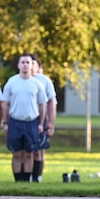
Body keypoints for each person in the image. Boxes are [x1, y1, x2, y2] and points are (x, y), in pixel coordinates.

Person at [1, 54, 47, 182]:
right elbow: (5, 103)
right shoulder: (12, 82)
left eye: (28, 62)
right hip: (15, 121)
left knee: (29, 153)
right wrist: (6, 122)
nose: (25, 65)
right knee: (16, 153)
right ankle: (17, 180)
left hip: (31, 122)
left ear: (32, 65)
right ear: (19, 65)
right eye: (23, 62)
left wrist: (40, 123)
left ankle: (27, 180)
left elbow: (42, 105)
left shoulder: (37, 84)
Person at [30, 55, 57, 183]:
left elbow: (51, 103)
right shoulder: (19, 80)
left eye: (33, 64)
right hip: (25, 120)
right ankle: (26, 176)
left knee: (39, 150)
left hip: (40, 119)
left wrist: (51, 122)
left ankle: (37, 177)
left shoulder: (44, 81)